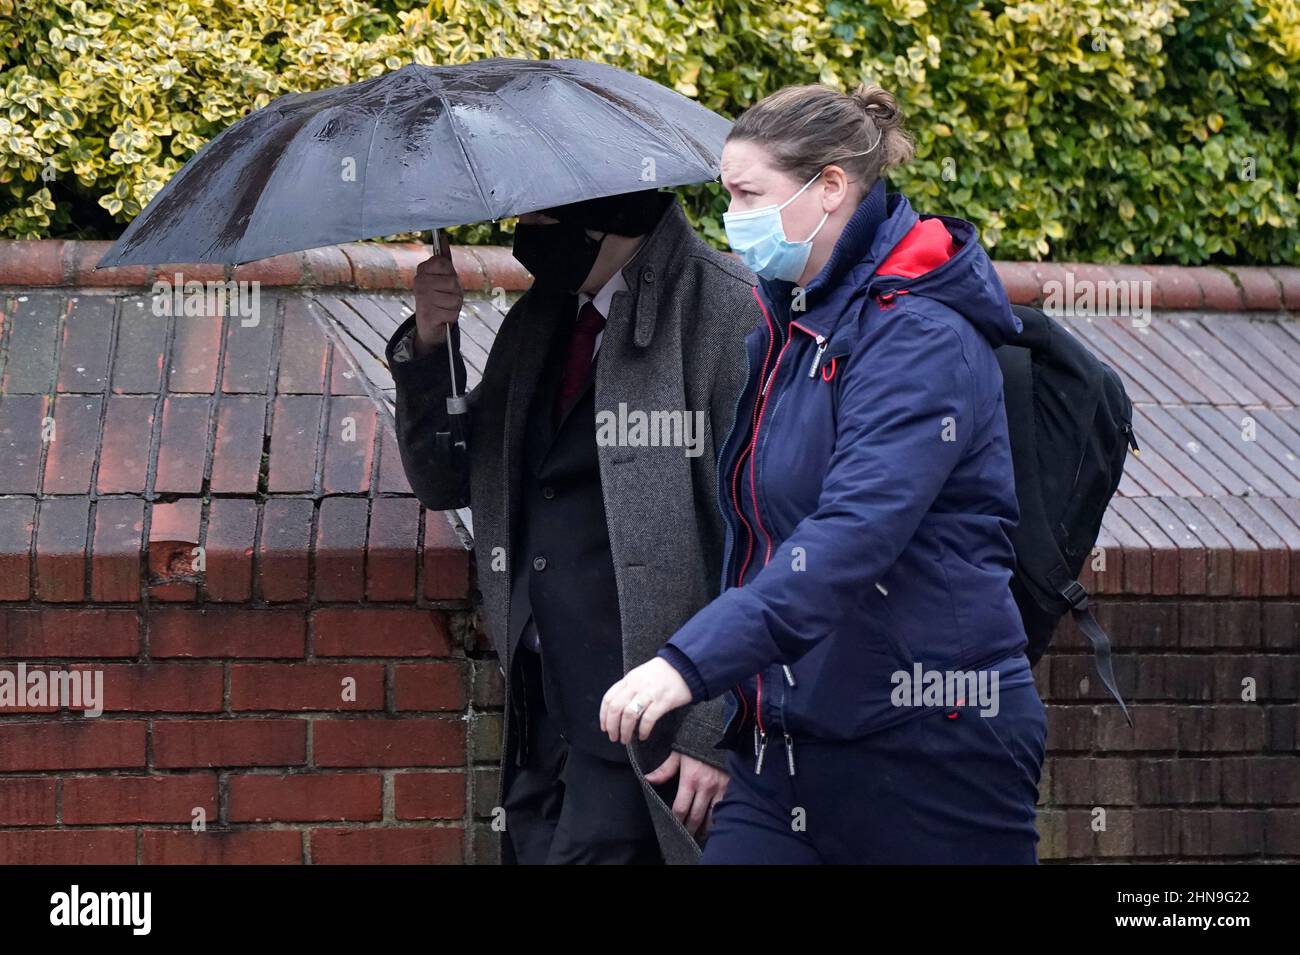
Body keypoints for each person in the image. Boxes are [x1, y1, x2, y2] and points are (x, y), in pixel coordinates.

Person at [600, 84, 1048, 864]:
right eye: (727, 192)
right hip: (789, 754)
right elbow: (765, 536)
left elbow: (850, 535)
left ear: (830, 187)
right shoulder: (794, 323)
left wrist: (691, 661)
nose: (732, 216)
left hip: (931, 752)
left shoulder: (919, 337)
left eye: (748, 194)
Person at [385, 189, 758, 863]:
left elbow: (763, 544)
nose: (523, 232)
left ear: (604, 218)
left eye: (539, 218)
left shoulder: (726, 311)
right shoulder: (542, 317)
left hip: (656, 718)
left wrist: (714, 727)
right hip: (543, 709)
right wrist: (432, 343)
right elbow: (450, 478)